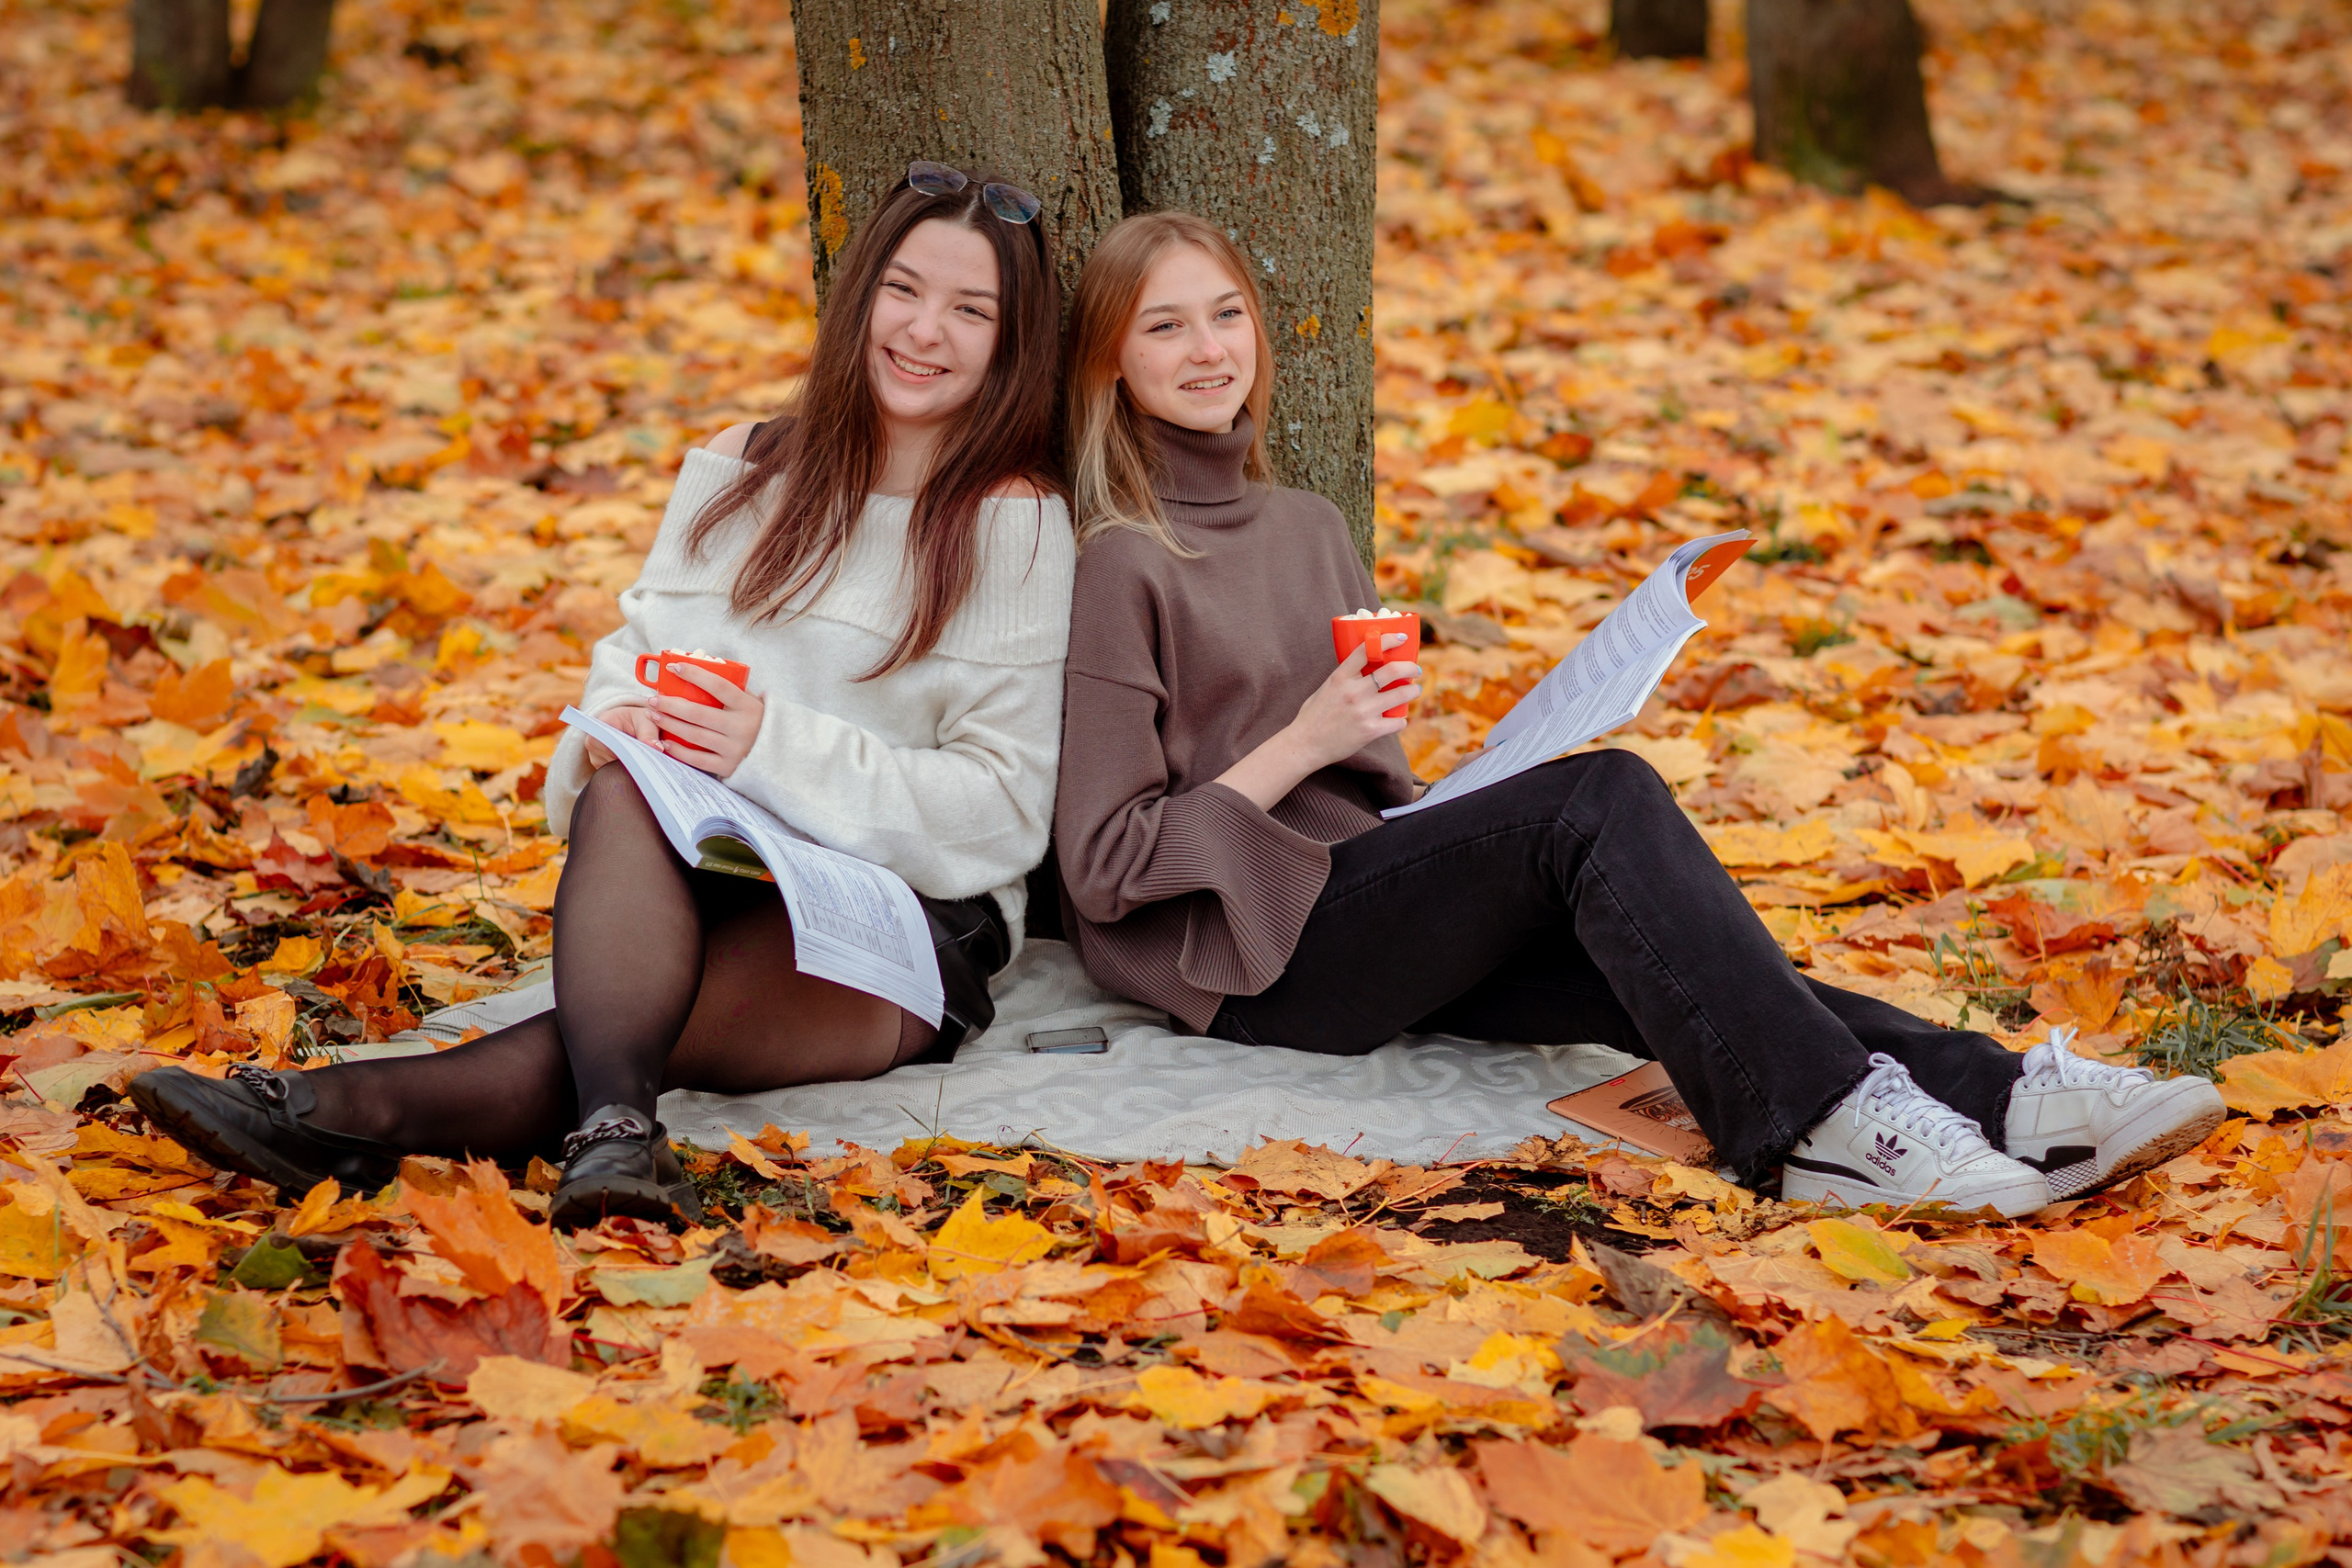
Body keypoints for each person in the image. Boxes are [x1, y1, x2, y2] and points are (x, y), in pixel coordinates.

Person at [1051, 210, 2222, 1216]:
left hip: (1360, 899)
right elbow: (1105, 869)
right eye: (1166, 328)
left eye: (1226, 315)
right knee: (1599, 797)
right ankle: (1818, 1131)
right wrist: (1307, 737)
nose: (1208, 349)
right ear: (1110, 364)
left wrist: (1457, 801)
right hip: (1253, 967)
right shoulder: (1121, 562)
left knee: (1682, 966)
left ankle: (2008, 1094)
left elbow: (1367, 798)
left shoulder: (1307, 527)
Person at [133, 164, 1076, 1228]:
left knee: (603, 1033)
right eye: (903, 290)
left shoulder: (1012, 522)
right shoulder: (744, 464)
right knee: (625, 784)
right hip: (703, 868)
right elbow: (634, 659)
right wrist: (616, 726)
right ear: (861, 295)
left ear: (1010, 343)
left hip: (890, 924)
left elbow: (1003, 812)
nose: (924, 331)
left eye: (970, 310)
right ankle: (614, 1141)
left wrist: (770, 746)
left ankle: (339, 1113)